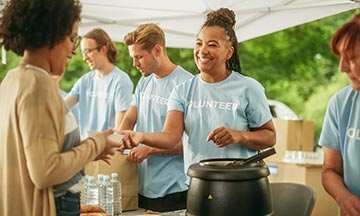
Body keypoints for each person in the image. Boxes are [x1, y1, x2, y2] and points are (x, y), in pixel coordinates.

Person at [119, 8, 276, 184]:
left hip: (240, 185)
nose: (202, 50)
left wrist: (239, 136)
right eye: (199, 43)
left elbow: (270, 136)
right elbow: (170, 137)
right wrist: (141, 136)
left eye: (212, 45)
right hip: (198, 185)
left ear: (229, 53)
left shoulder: (248, 88)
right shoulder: (182, 90)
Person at [0, 1, 121, 215]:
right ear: (51, 35)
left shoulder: (13, 79)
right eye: (72, 39)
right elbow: (45, 171)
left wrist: (88, 151)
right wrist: (96, 143)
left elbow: (36, 154)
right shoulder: (38, 84)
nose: (73, 51)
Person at [120, 23, 193, 212]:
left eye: (139, 57)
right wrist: (117, 140)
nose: (135, 64)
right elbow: (128, 120)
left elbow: (193, 144)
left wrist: (150, 149)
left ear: (157, 50)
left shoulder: (187, 85)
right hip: (142, 186)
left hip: (173, 190)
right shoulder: (144, 81)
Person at [319, 13, 360, 216]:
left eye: (352, 58)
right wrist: (344, 197)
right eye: (341, 57)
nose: (342, 67)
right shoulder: (340, 103)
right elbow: (330, 170)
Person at [65, 28, 133, 139]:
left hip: (108, 150)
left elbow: (120, 129)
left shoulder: (121, 81)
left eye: (88, 51)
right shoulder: (85, 80)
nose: (84, 58)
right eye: (83, 52)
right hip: (87, 148)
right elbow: (62, 108)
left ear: (103, 49)